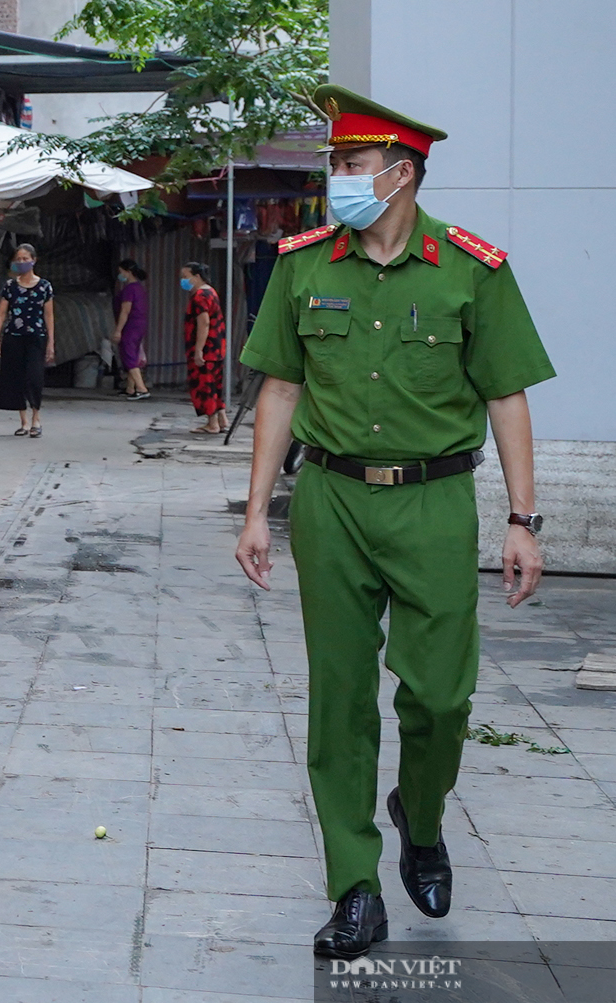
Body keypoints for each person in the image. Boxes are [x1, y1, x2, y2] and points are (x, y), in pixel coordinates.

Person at [235, 85, 555, 960]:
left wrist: (521, 519)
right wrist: (258, 510)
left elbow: (506, 394)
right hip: (331, 502)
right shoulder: (304, 263)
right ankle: (354, 886)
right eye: (333, 164)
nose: (335, 179)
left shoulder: (469, 269)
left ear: (400, 172)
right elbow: (279, 389)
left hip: (434, 501)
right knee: (339, 701)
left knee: (440, 696)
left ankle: (420, 814)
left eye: (349, 164)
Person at [0, 243, 55, 437]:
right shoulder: (10, 286)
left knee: (34, 377)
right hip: (14, 337)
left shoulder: (44, 286)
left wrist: (51, 342)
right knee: (16, 378)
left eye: (25, 258)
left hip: (36, 337)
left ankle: (36, 418)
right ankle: (24, 421)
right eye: (18, 259)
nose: (22, 262)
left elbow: (49, 315)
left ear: (34, 260)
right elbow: (2, 313)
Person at [182, 261, 228, 434]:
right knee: (216, 384)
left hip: (207, 348)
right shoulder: (210, 291)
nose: (183, 281)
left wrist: (198, 349)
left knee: (206, 385)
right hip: (217, 346)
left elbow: (204, 323)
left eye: (186, 277)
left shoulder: (200, 296)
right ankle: (222, 419)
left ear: (197, 276)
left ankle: (212, 423)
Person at [112, 259, 150, 399]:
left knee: (128, 355)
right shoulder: (139, 288)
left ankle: (142, 388)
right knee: (133, 354)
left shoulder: (129, 289)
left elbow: (125, 311)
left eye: (121, 272)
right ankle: (130, 388)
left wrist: (118, 330)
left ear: (128, 272)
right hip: (139, 324)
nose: (120, 275)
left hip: (130, 325)